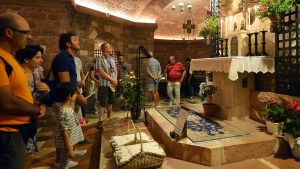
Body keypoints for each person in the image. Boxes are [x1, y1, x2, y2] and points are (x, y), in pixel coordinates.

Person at [0, 13, 45, 169]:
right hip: (7, 132)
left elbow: (20, 92)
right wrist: (35, 109)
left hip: (17, 131)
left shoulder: (9, 58)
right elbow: (6, 102)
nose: (30, 37)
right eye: (26, 32)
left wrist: (38, 104)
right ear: (9, 32)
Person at [51, 32, 88, 167]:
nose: (78, 42)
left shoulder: (70, 58)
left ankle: (73, 149)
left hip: (71, 97)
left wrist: (78, 94)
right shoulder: (63, 58)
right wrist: (78, 97)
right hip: (64, 99)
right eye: (75, 40)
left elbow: (73, 81)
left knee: (73, 126)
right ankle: (62, 161)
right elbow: (65, 83)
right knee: (64, 132)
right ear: (68, 44)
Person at [15, 45, 49, 165]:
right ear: (26, 59)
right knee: (23, 157)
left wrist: (44, 93)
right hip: (17, 119)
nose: (41, 60)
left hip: (30, 119)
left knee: (31, 156)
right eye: (37, 58)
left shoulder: (35, 75)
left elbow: (34, 98)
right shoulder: (17, 73)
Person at [54, 82, 85, 169]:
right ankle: (64, 165)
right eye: (75, 94)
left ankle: (66, 162)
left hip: (68, 141)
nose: (76, 96)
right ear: (69, 96)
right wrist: (69, 149)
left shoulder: (66, 108)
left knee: (65, 159)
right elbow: (65, 132)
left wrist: (80, 122)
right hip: (65, 144)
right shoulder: (64, 113)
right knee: (64, 163)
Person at [96, 43, 118, 129]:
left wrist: (115, 79)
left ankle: (109, 118)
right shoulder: (99, 58)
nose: (111, 47)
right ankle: (100, 120)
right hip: (104, 84)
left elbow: (115, 69)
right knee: (102, 103)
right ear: (104, 49)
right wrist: (112, 79)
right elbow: (100, 71)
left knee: (110, 102)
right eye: (109, 46)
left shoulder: (112, 59)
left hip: (112, 84)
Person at [74, 56, 87, 124]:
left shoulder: (77, 59)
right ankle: (80, 123)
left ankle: (82, 122)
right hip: (73, 89)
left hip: (79, 89)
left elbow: (81, 72)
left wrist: (83, 80)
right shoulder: (64, 59)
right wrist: (76, 83)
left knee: (81, 107)